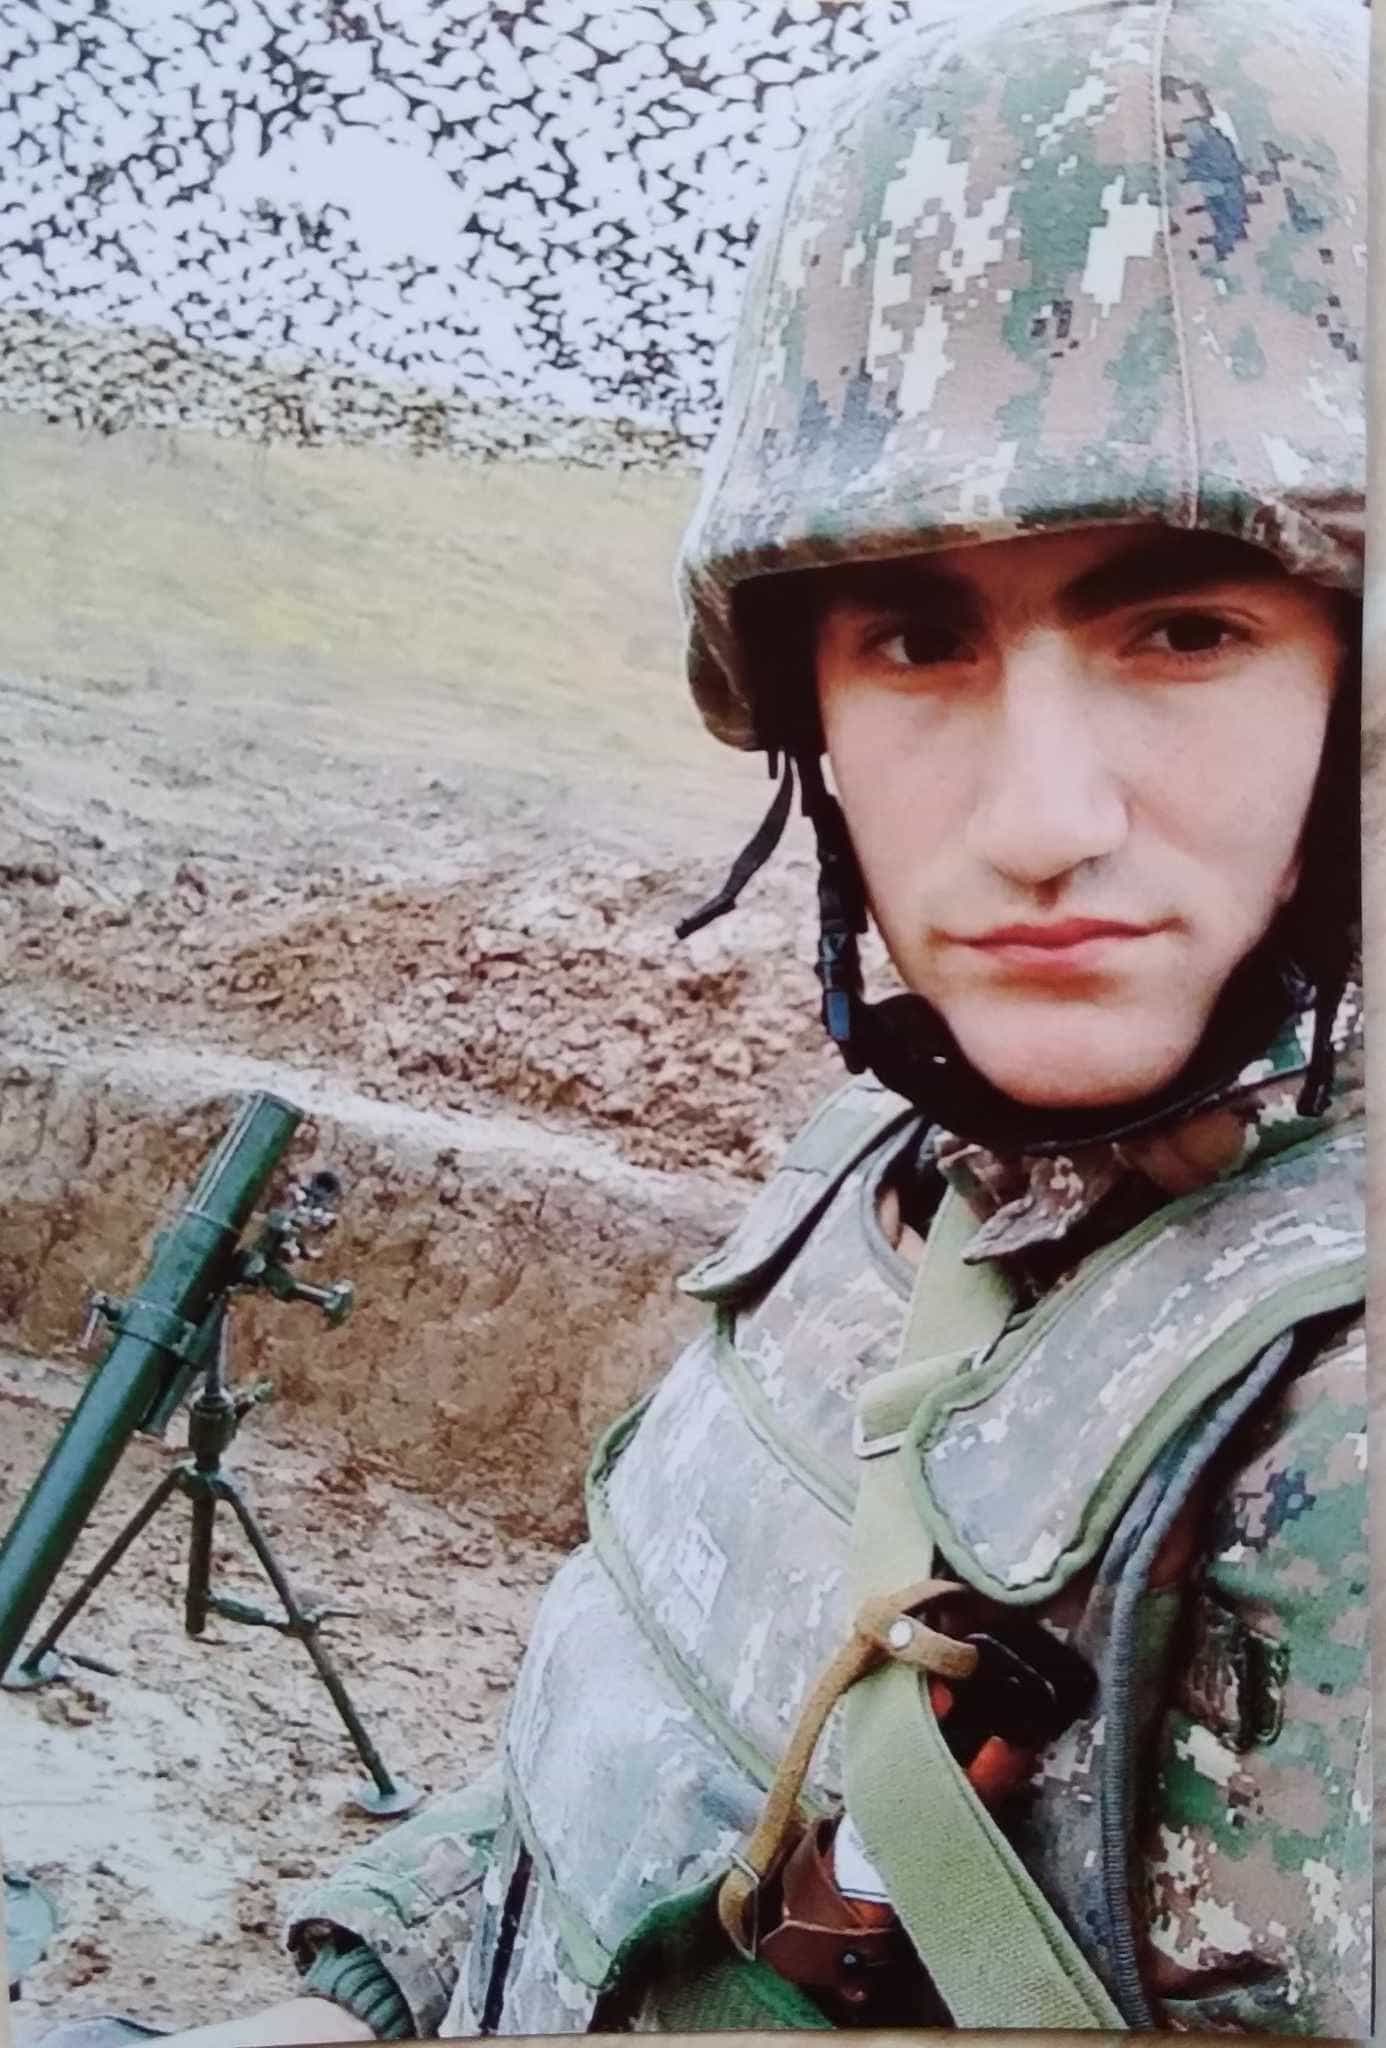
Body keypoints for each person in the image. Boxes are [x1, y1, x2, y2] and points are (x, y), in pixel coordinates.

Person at [86, 0, 1371, 2037]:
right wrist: (365, 1995)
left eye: (1182, 626)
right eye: (917, 639)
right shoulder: (895, 1171)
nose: (1040, 822)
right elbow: (641, 1739)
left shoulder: (1340, 1448)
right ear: (806, 717)